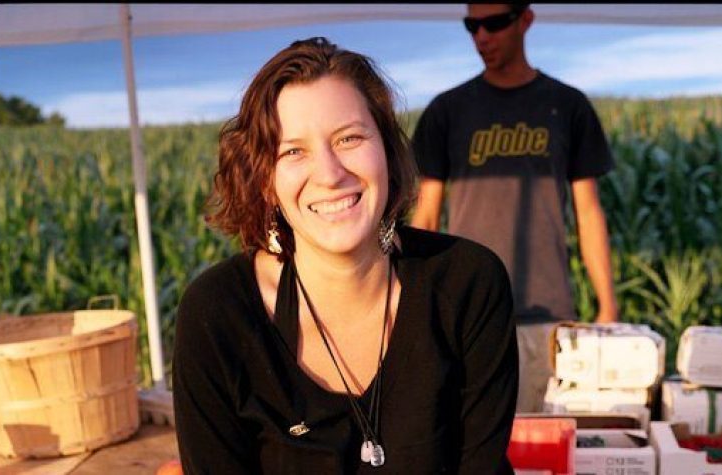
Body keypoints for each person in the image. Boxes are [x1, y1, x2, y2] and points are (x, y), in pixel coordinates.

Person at [172, 37, 518, 474]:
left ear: (389, 152)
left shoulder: (468, 285)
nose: (330, 174)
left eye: (349, 138)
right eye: (293, 151)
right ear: (265, 181)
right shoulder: (218, 315)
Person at [409, 3, 618, 414]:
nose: (481, 36)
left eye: (494, 23)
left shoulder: (567, 105)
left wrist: (607, 305)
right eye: (472, 25)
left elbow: (588, 213)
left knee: (543, 446)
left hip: (547, 315)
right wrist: (419, 308)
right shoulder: (446, 111)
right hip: (465, 314)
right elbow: (427, 217)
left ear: (526, 20)